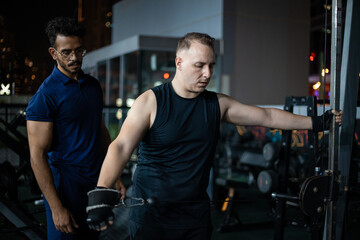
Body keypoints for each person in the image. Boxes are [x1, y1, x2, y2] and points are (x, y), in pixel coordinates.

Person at [86, 32, 342, 240]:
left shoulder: (217, 104)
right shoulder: (151, 102)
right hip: (152, 215)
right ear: (179, 63)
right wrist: (101, 192)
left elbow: (268, 117)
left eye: (211, 66)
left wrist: (318, 122)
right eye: (199, 66)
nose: (207, 74)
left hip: (195, 215)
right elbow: (120, 147)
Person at [26, 17, 125, 240]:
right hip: (66, 191)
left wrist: (114, 175)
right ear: (53, 53)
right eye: (66, 52)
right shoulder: (44, 97)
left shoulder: (92, 86)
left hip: (95, 187)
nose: (74, 58)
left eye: (79, 51)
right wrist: (55, 208)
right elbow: (37, 157)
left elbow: (100, 132)